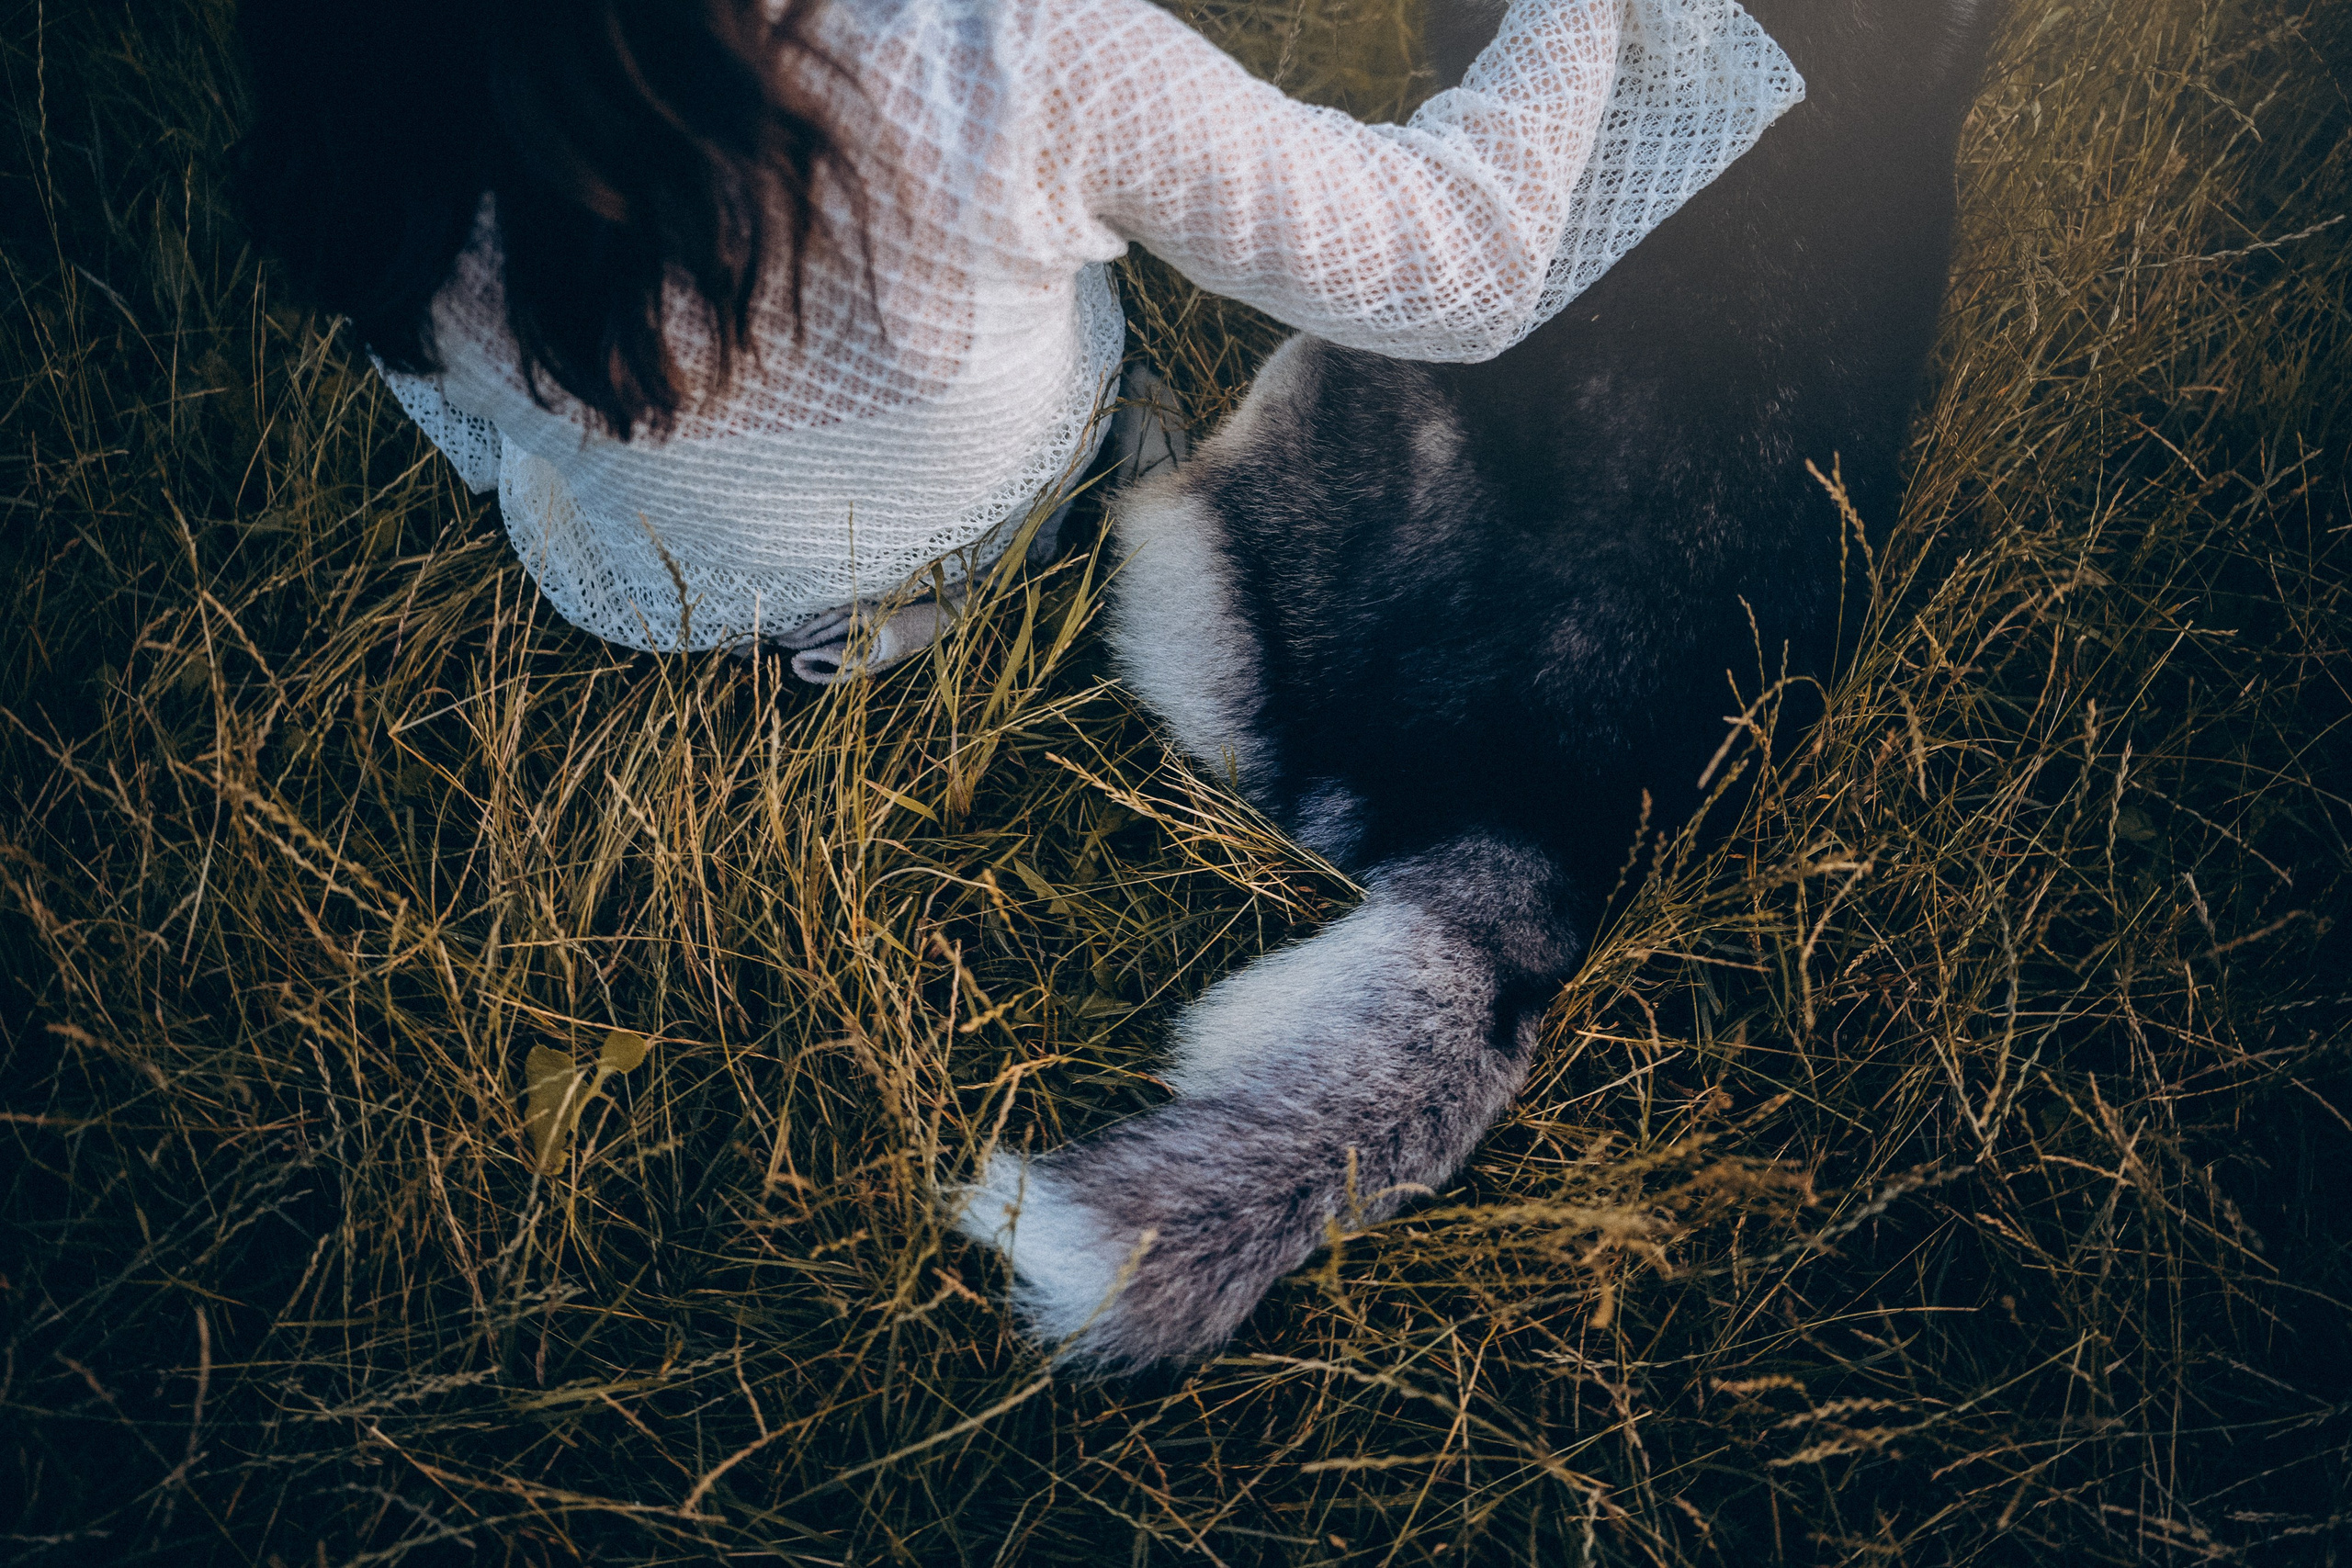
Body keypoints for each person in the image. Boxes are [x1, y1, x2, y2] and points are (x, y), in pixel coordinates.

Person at [236, 0, 1800, 682]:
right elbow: (1461, 263)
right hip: (1002, 478)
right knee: (1049, 412)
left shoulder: (356, 71)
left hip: (659, 584)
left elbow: (448, 383)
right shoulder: (992, 51)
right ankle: (1053, 518)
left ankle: (833, 622)